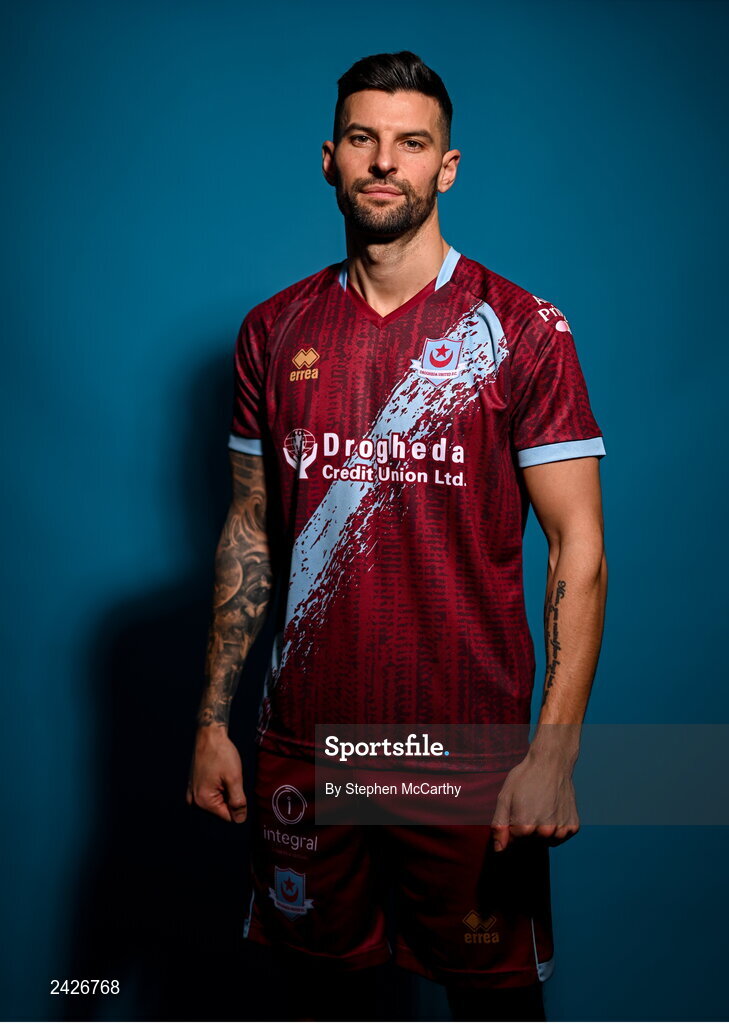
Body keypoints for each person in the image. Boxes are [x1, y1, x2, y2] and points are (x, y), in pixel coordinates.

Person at [187, 50, 608, 1022]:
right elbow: (250, 528)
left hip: (466, 749)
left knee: (494, 1006)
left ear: (445, 167)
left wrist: (554, 752)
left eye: (411, 144)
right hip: (310, 742)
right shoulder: (273, 327)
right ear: (330, 159)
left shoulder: (522, 329)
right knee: (321, 1003)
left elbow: (578, 548)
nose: (386, 162)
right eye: (365, 141)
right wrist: (213, 720)